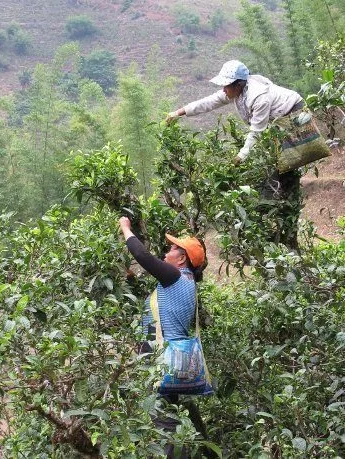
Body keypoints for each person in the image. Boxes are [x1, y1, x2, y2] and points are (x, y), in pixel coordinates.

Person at [167, 60, 304, 248]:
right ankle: (271, 216)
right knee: (274, 168)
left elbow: (257, 132)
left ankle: (276, 220)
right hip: (276, 124)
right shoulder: (237, 91)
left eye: (226, 85)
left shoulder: (259, 97)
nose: (223, 89)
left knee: (281, 170)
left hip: (291, 115)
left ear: (238, 84)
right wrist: (180, 112)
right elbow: (210, 101)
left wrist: (240, 156)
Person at [119, 216, 209, 458]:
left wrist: (126, 229)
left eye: (172, 249)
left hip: (161, 359)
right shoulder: (183, 282)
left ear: (182, 259)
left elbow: (144, 257)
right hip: (169, 357)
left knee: (162, 421)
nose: (167, 252)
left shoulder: (176, 276)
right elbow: (160, 308)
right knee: (164, 415)